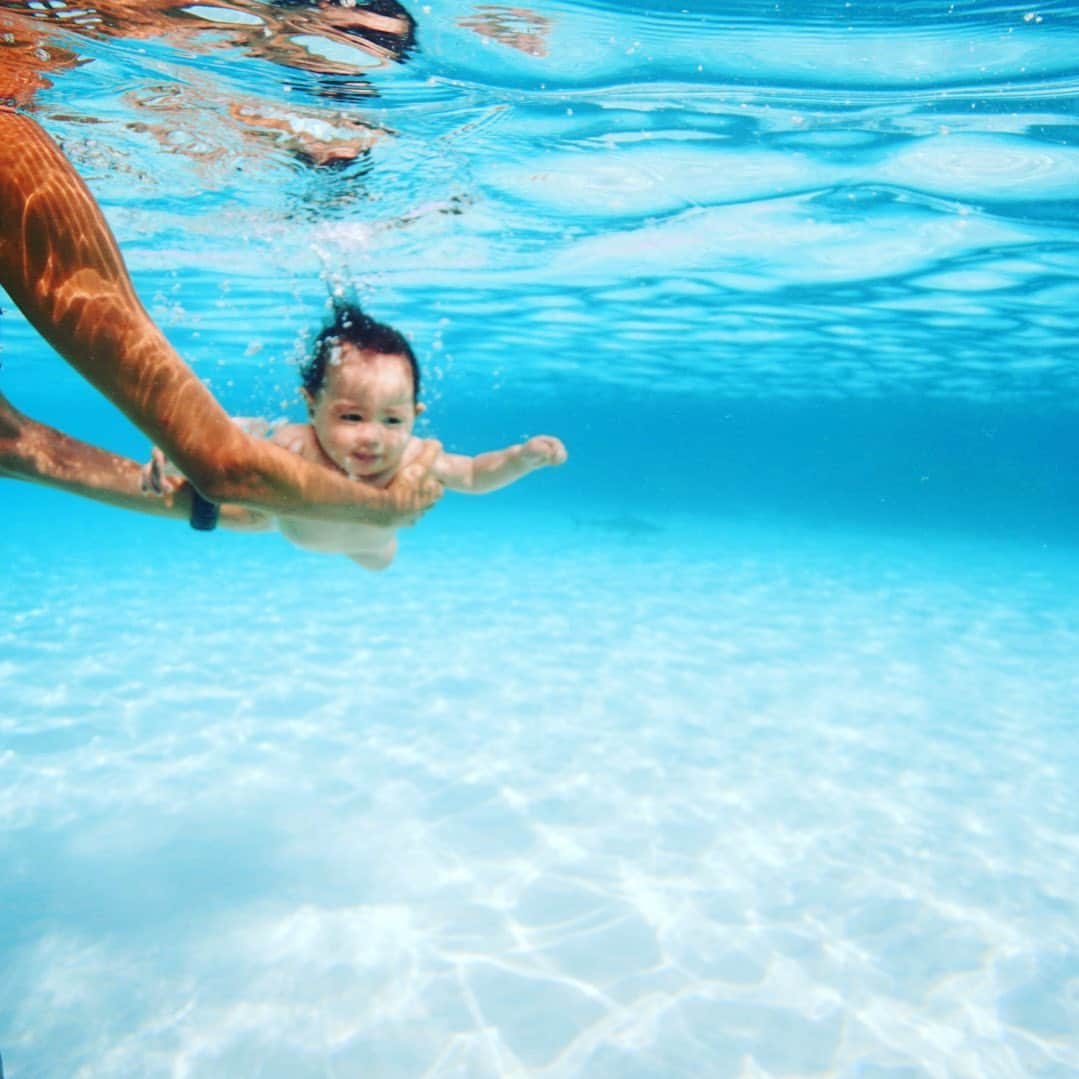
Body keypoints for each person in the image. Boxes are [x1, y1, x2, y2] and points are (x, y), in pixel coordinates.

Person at [0, 0, 443, 530]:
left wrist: (208, 501)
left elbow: (8, 441)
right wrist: (385, 507)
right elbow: (226, 466)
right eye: (315, 69)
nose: (338, 129)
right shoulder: (10, 155)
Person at [145, 302, 568, 568]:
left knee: (378, 561)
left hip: (372, 547)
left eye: (392, 421)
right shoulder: (295, 443)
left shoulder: (413, 458)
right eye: (351, 418)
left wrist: (520, 458)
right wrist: (177, 448)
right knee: (253, 510)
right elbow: (231, 440)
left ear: (415, 415)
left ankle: (372, 552)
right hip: (291, 526)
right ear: (311, 406)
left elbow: (475, 474)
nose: (373, 438)